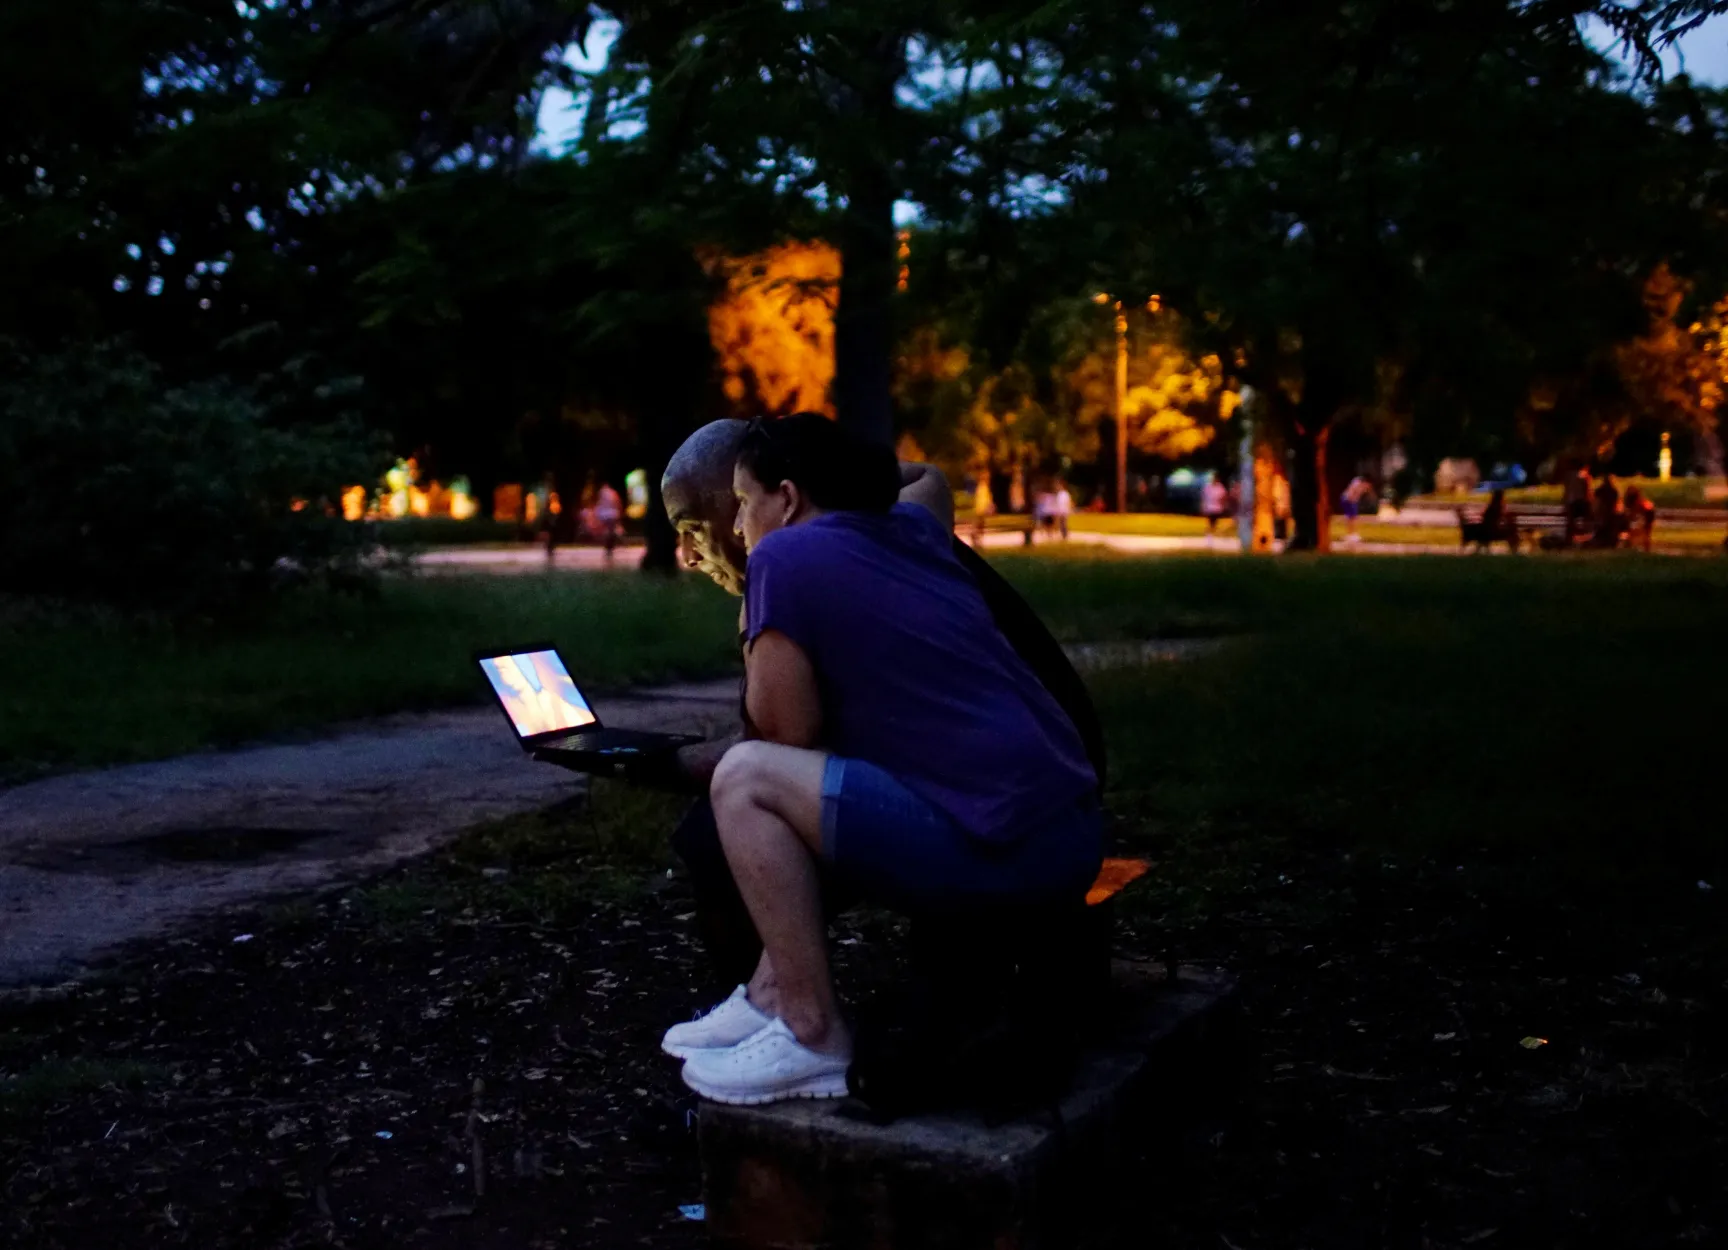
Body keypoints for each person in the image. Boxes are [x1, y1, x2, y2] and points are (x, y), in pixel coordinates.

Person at [668, 415, 1100, 1106]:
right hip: (1070, 833)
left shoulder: (783, 558)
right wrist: (854, 477)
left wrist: (756, 624)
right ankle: (766, 994)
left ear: (786, 497)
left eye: (743, 501)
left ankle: (809, 1033)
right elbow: (926, 477)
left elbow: (784, 737)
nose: (738, 523)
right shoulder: (916, 527)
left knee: (747, 782)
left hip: (1002, 850)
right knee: (794, 779)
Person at [594, 480, 624, 561]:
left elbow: (599, 503)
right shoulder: (613, 493)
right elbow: (617, 503)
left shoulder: (601, 492)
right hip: (612, 514)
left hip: (604, 514)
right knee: (610, 531)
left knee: (608, 531)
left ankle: (608, 548)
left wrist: (597, 513)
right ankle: (609, 548)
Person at [1623, 483, 1656, 552]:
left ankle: (1643, 548)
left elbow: (1650, 513)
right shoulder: (1641, 503)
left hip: (1640, 523)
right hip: (1636, 523)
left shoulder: (1643, 504)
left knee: (1639, 532)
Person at [1340, 475, 1372, 543]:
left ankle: (1350, 534)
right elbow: (1352, 492)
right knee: (1352, 518)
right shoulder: (1358, 484)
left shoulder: (1357, 482)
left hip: (1346, 499)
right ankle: (1352, 535)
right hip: (1349, 500)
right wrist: (1352, 500)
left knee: (1351, 518)